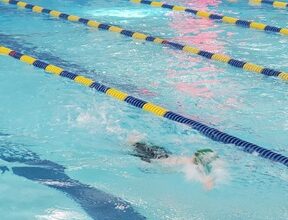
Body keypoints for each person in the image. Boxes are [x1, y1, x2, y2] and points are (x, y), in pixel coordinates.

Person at [131, 142, 221, 190]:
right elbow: (203, 174)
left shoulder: (190, 162)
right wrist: (207, 181)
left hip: (163, 155)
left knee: (135, 146)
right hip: (157, 158)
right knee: (134, 146)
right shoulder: (191, 164)